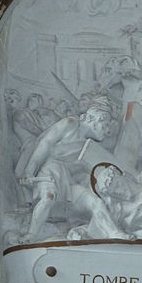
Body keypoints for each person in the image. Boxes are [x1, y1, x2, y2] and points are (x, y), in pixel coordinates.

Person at [19, 102, 124, 242]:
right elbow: (45, 143)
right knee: (49, 196)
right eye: (104, 126)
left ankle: (115, 233)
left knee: (95, 202)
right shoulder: (70, 124)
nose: (106, 131)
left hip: (67, 182)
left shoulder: (88, 146)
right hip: (49, 173)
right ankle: (31, 235)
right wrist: (29, 171)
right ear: (93, 120)